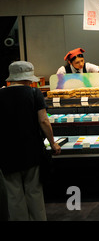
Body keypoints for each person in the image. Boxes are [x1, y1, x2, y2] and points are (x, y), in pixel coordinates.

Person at [0, 61, 61, 221]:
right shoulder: (34, 93)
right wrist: (53, 142)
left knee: (14, 195)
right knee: (34, 192)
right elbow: (44, 121)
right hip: (31, 150)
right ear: (29, 78)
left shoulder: (0, 94)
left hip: (6, 153)